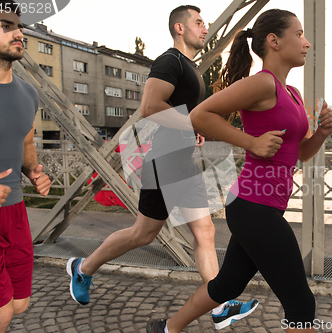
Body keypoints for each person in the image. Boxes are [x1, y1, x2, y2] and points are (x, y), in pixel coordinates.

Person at [145, 8, 332, 333]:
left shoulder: (291, 94)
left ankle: (166, 328)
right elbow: (200, 115)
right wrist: (250, 142)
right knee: (301, 305)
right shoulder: (262, 84)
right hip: (253, 206)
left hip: (264, 206)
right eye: (299, 34)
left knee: (226, 286)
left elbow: (300, 155)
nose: (306, 43)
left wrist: (321, 133)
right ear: (274, 41)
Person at [66, 5, 257, 329]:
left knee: (198, 231)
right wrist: (191, 124)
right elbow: (150, 106)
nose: (205, 28)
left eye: (205, 23)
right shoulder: (170, 61)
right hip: (165, 160)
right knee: (144, 234)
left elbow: (178, 114)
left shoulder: (190, 68)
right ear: (179, 28)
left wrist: (191, 129)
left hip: (181, 159)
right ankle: (82, 268)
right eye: (198, 22)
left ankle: (219, 304)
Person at [0, 1, 52, 332]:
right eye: (6, 26)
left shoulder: (28, 93)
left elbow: (26, 143)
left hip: (15, 213)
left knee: (18, 303)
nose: (19, 33)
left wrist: (34, 172)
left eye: (20, 27)